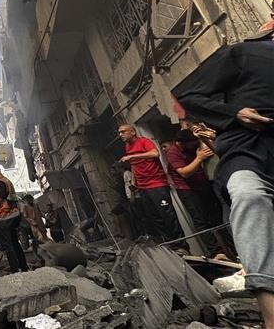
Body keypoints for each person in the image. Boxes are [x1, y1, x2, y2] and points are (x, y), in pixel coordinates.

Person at [175, 17, 274, 326]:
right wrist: (235, 113)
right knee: (249, 195)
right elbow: (191, 97)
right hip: (250, 148)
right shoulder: (242, 53)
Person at [117, 124, 188, 251]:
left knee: (168, 215)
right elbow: (134, 165)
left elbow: (155, 154)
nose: (120, 135)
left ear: (132, 132)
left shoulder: (144, 142)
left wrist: (133, 156)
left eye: (123, 132)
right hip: (143, 187)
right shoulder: (127, 146)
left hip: (157, 184)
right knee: (155, 217)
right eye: (119, 132)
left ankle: (182, 245)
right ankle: (171, 245)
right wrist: (134, 181)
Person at [164, 130, 222, 257]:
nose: (194, 145)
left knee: (218, 217)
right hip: (187, 189)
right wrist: (199, 158)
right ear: (180, 143)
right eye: (192, 143)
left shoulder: (196, 146)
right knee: (200, 221)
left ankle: (231, 248)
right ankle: (216, 252)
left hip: (204, 185)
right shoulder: (173, 152)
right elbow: (184, 173)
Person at [20, 194, 48, 259]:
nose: (30, 200)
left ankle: (46, 251)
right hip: (34, 225)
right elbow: (26, 216)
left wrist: (45, 217)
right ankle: (39, 255)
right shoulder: (25, 207)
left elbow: (40, 212)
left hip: (40, 222)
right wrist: (32, 222)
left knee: (44, 236)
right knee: (37, 239)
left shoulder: (35, 205)